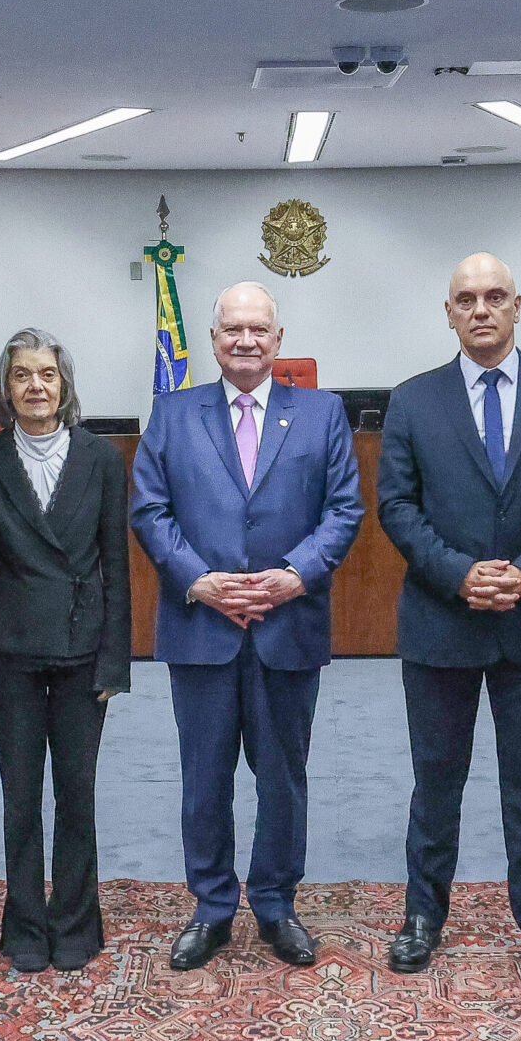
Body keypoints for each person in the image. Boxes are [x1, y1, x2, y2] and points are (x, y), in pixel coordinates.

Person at [375, 253, 521, 989]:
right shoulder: (413, 401)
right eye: (466, 299)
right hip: (441, 620)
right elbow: (397, 507)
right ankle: (422, 916)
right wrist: (457, 572)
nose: (481, 309)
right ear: (448, 312)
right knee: (435, 780)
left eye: (495, 296)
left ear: (516, 305)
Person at [131, 282, 362, 972]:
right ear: (213, 340)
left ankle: (274, 903)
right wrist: (196, 579)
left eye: (259, 329)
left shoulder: (322, 415)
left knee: (282, 778)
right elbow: (149, 509)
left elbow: (344, 510)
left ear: (279, 339)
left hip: (287, 624)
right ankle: (209, 908)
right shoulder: (173, 414)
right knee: (204, 778)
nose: (246, 340)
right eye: (232, 329)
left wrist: (296, 573)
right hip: (201, 626)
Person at [0, 329, 130, 972]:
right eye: (21, 375)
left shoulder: (103, 460)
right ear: (6, 388)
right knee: (21, 795)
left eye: (47, 374)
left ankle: (78, 922)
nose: (35, 386)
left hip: (84, 648)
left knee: (76, 793)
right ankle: (24, 924)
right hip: (11, 649)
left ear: (64, 385)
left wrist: (117, 660)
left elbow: (117, 565)